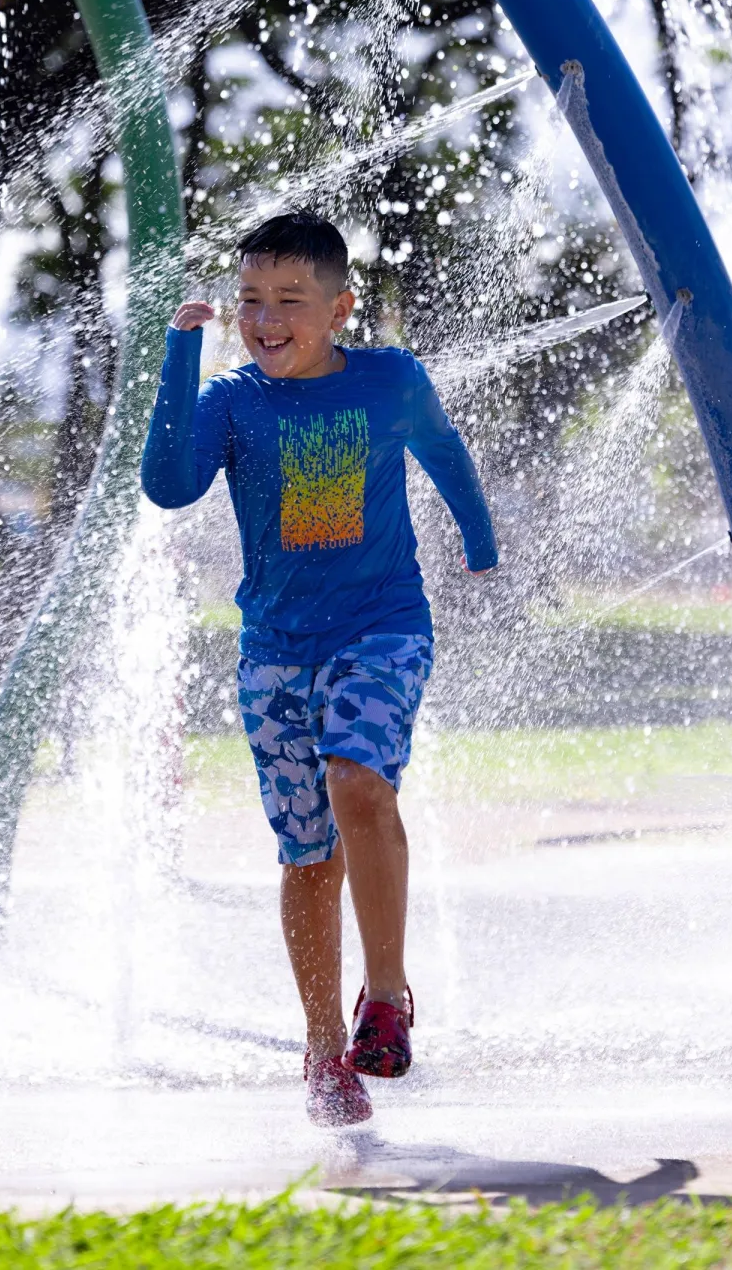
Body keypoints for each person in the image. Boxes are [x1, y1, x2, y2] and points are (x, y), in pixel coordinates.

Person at [141, 211, 497, 1126]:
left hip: (382, 627)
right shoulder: (229, 400)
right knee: (306, 859)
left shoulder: (391, 381)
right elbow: (169, 484)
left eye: (289, 301)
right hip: (273, 653)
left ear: (338, 308)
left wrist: (479, 535)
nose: (265, 319)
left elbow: (445, 453)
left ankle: (386, 995)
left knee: (358, 783)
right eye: (251, 300)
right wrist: (180, 357)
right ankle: (321, 1051)